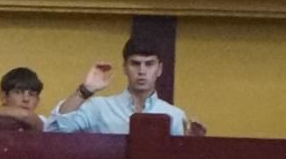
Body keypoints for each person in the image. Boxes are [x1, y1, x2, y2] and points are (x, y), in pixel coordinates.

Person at [45, 38, 189, 136]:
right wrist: (84, 91)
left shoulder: (175, 116)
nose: (142, 71)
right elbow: (54, 131)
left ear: (160, 69)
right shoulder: (99, 108)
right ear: (125, 68)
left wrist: (194, 141)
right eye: (135, 64)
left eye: (149, 64)